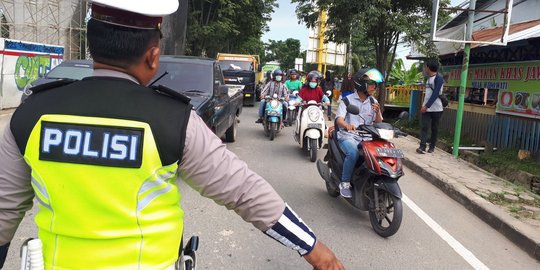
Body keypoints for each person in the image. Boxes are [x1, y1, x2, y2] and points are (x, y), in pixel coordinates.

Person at [0, 1, 344, 269]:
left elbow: (3, 214)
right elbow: (244, 191)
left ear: (92, 46)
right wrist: (314, 249)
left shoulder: (31, 115)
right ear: (152, 56)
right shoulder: (173, 120)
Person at [335, 68, 384, 198]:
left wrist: (378, 111)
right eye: (371, 84)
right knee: (353, 152)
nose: (374, 87)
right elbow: (339, 119)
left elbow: (378, 122)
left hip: (367, 138)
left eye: (375, 84)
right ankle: (344, 183)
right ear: (361, 84)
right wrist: (347, 125)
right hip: (349, 136)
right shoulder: (347, 100)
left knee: (379, 154)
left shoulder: (374, 102)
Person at [417, 60, 444, 154]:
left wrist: (427, 106)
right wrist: (424, 105)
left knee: (434, 128)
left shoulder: (439, 78)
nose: (425, 69)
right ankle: (422, 146)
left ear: (428, 68)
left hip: (437, 109)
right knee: (424, 127)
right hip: (426, 109)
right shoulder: (428, 79)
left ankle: (432, 147)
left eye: (426, 67)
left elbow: (436, 93)